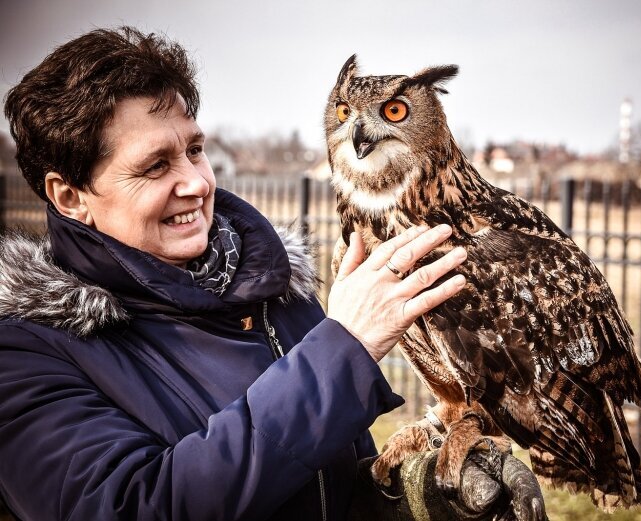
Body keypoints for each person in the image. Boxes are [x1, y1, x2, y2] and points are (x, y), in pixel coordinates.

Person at [0, 27, 545, 521]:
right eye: (155, 166)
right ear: (70, 197)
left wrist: (418, 498)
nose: (195, 182)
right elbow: (137, 506)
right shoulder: (26, 355)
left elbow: (323, 493)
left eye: (195, 150)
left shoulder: (274, 297)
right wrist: (342, 349)